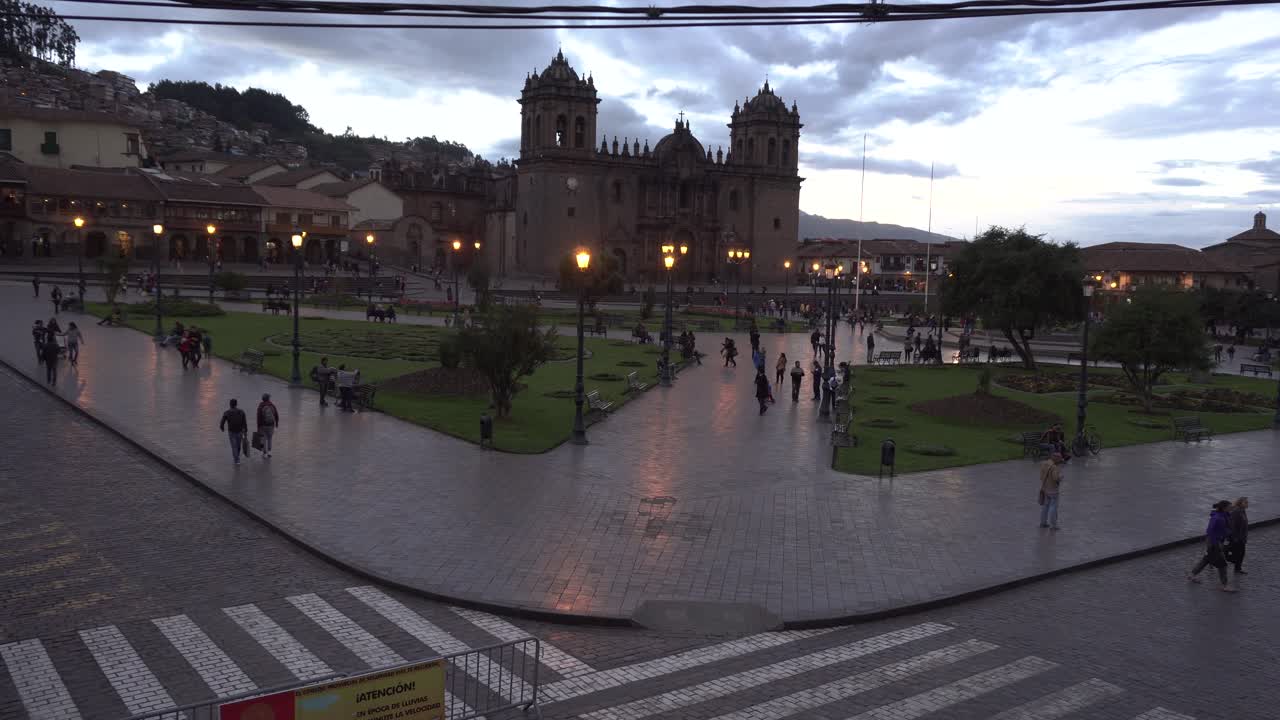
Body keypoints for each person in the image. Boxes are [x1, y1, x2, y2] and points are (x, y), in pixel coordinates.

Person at [1187, 500, 1237, 592]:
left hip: (1215, 542)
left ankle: (1192, 575)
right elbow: (1210, 531)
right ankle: (1224, 585)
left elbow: (1228, 522)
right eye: (1229, 507)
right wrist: (1216, 543)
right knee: (1222, 565)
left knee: (1206, 560)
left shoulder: (1224, 515)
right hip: (1214, 543)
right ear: (1224, 508)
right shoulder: (1218, 518)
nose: (1231, 508)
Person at [1038, 452, 1064, 529]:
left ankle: (1043, 523)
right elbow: (1056, 478)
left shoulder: (1044, 463)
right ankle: (1053, 525)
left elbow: (1041, 476)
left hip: (1045, 489)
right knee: (1053, 507)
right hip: (1053, 490)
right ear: (1056, 459)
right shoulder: (1054, 467)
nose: (1060, 462)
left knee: (1045, 506)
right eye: (1059, 460)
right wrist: (1061, 477)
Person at [219, 399, 249, 465]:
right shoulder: (241, 412)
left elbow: (222, 422)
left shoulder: (227, 412)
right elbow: (244, 422)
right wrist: (245, 431)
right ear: (236, 404)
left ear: (230, 404)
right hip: (240, 431)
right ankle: (237, 457)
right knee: (238, 446)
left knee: (234, 446)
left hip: (231, 432)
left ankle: (237, 460)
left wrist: (222, 428)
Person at [1227, 497, 1249, 575]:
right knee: (1237, 554)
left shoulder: (1242, 511)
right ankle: (1216, 558)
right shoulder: (1236, 512)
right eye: (1245, 502)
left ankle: (1237, 568)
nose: (1247, 504)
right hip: (1237, 538)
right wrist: (1235, 537)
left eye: (1247, 502)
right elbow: (1233, 526)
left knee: (1241, 553)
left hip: (1242, 537)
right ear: (1240, 503)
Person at [256, 393, 279, 459]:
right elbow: (276, 415)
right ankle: (269, 452)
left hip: (263, 425)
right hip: (271, 425)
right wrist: (276, 423)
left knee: (263, 439)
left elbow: (258, 417)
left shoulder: (261, 406)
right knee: (269, 438)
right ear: (268, 398)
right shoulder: (272, 405)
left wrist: (258, 426)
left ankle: (264, 453)